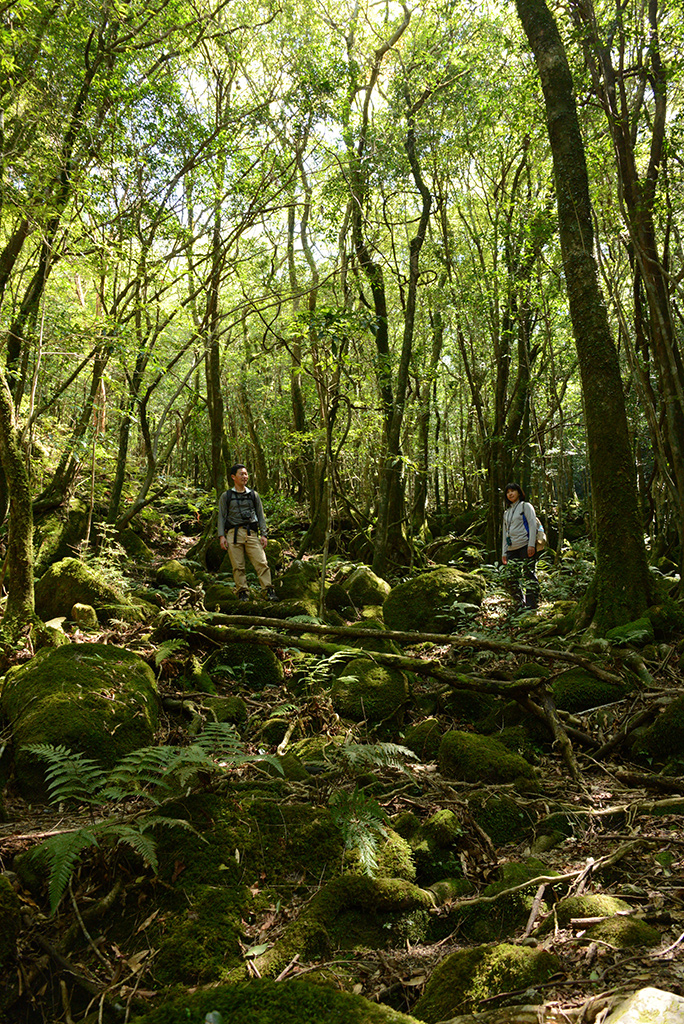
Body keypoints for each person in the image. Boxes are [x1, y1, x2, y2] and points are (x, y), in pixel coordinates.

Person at [218, 463, 277, 602]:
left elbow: (260, 515)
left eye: (246, 474)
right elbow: (221, 516)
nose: (245, 476)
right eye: (241, 474)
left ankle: (268, 589)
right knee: (238, 566)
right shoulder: (226, 496)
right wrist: (222, 536)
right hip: (233, 534)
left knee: (261, 562)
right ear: (233, 477)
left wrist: (264, 534)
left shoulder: (253, 495)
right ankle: (242, 592)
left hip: (251, 533)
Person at [501, 482, 540, 610]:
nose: (510, 494)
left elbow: (533, 525)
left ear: (519, 492)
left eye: (513, 491)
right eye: (508, 492)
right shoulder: (506, 512)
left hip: (525, 545)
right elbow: (505, 533)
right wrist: (504, 552)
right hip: (512, 549)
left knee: (529, 574)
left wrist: (531, 545)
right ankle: (519, 603)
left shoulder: (526, 506)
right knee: (512, 577)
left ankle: (532, 604)